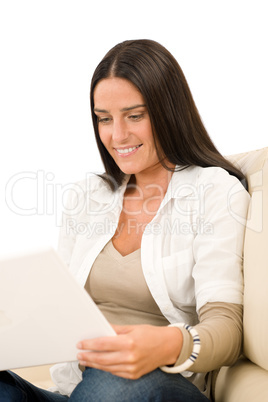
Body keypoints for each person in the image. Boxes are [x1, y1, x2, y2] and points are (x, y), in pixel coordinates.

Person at [0, 39, 250, 401]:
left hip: (156, 385)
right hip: (78, 391)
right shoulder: (87, 196)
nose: (117, 136)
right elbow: (57, 311)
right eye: (104, 119)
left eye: (135, 116)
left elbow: (227, 329)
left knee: (113, 381)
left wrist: (167, 343)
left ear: (169, 112)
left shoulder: (215, 192)